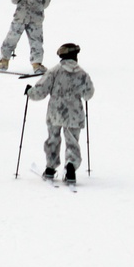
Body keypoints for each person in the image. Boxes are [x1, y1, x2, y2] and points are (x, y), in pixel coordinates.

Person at [24, 43, 94, 185]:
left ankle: (50, 168)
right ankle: (70, 168)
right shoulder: (82, 74)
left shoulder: (54, 71)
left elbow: (40, 91)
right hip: (74, 115)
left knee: (53, 140)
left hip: (55, 113)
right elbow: (88, 94)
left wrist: (30, 92)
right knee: (72, 142)